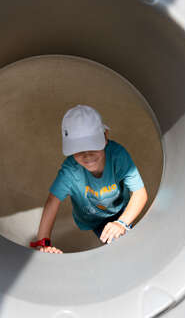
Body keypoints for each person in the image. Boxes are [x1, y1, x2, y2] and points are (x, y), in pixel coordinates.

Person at [31, 105, 148, 254]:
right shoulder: (70, 170)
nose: (87, 155)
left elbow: (140, 193)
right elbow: (52, 202)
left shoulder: (118, 156)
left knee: (129, 245)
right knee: (114, 243)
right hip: (93, 218)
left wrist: (121, 223)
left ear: (105, 137)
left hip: (120, 208)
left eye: (92, 147)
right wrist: (43, 242)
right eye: (79, 149)